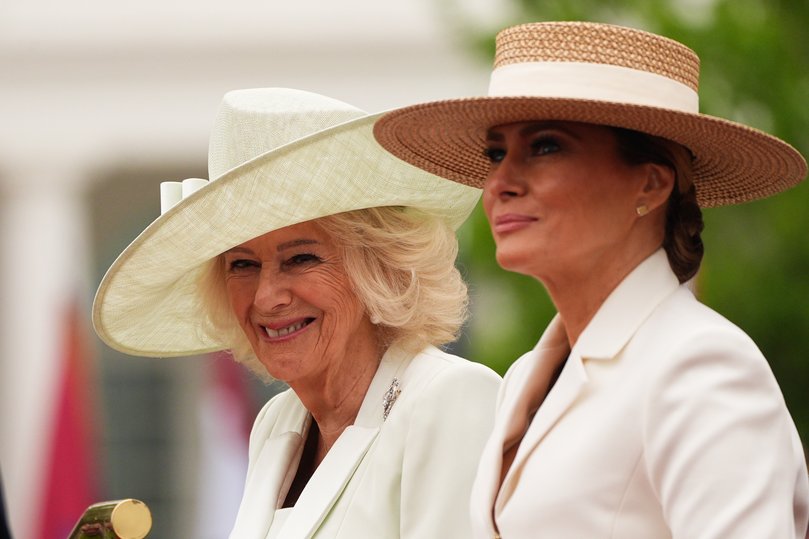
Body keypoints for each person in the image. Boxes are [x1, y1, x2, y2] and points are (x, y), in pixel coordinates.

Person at [374, 21, 809, 538]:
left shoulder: (701, 364)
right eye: (496, 153)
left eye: (546, 146)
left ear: (651, 183)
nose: (500, 183)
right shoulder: (525, 378)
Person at [92, 87, 501, 538]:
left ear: (379, 267)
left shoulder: (450, 398)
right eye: (242, 265)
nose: (266, 297)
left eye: (301, 259)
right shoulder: (278, 421)